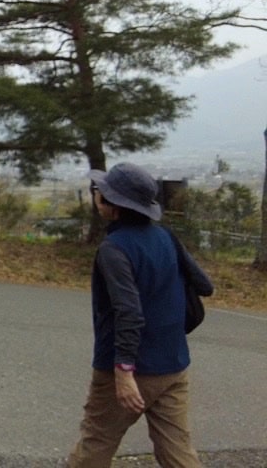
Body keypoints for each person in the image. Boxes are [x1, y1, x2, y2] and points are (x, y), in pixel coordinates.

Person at [68, 162, 214, 468]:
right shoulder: (166, 237)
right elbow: (204, 285)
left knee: (95, 444)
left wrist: (124, 371)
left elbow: (129, 313)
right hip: (173, 365)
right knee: (178, 453)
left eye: (101, 191)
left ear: (112, 206)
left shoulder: (114, 249)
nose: (97, 194)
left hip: (128, 371)